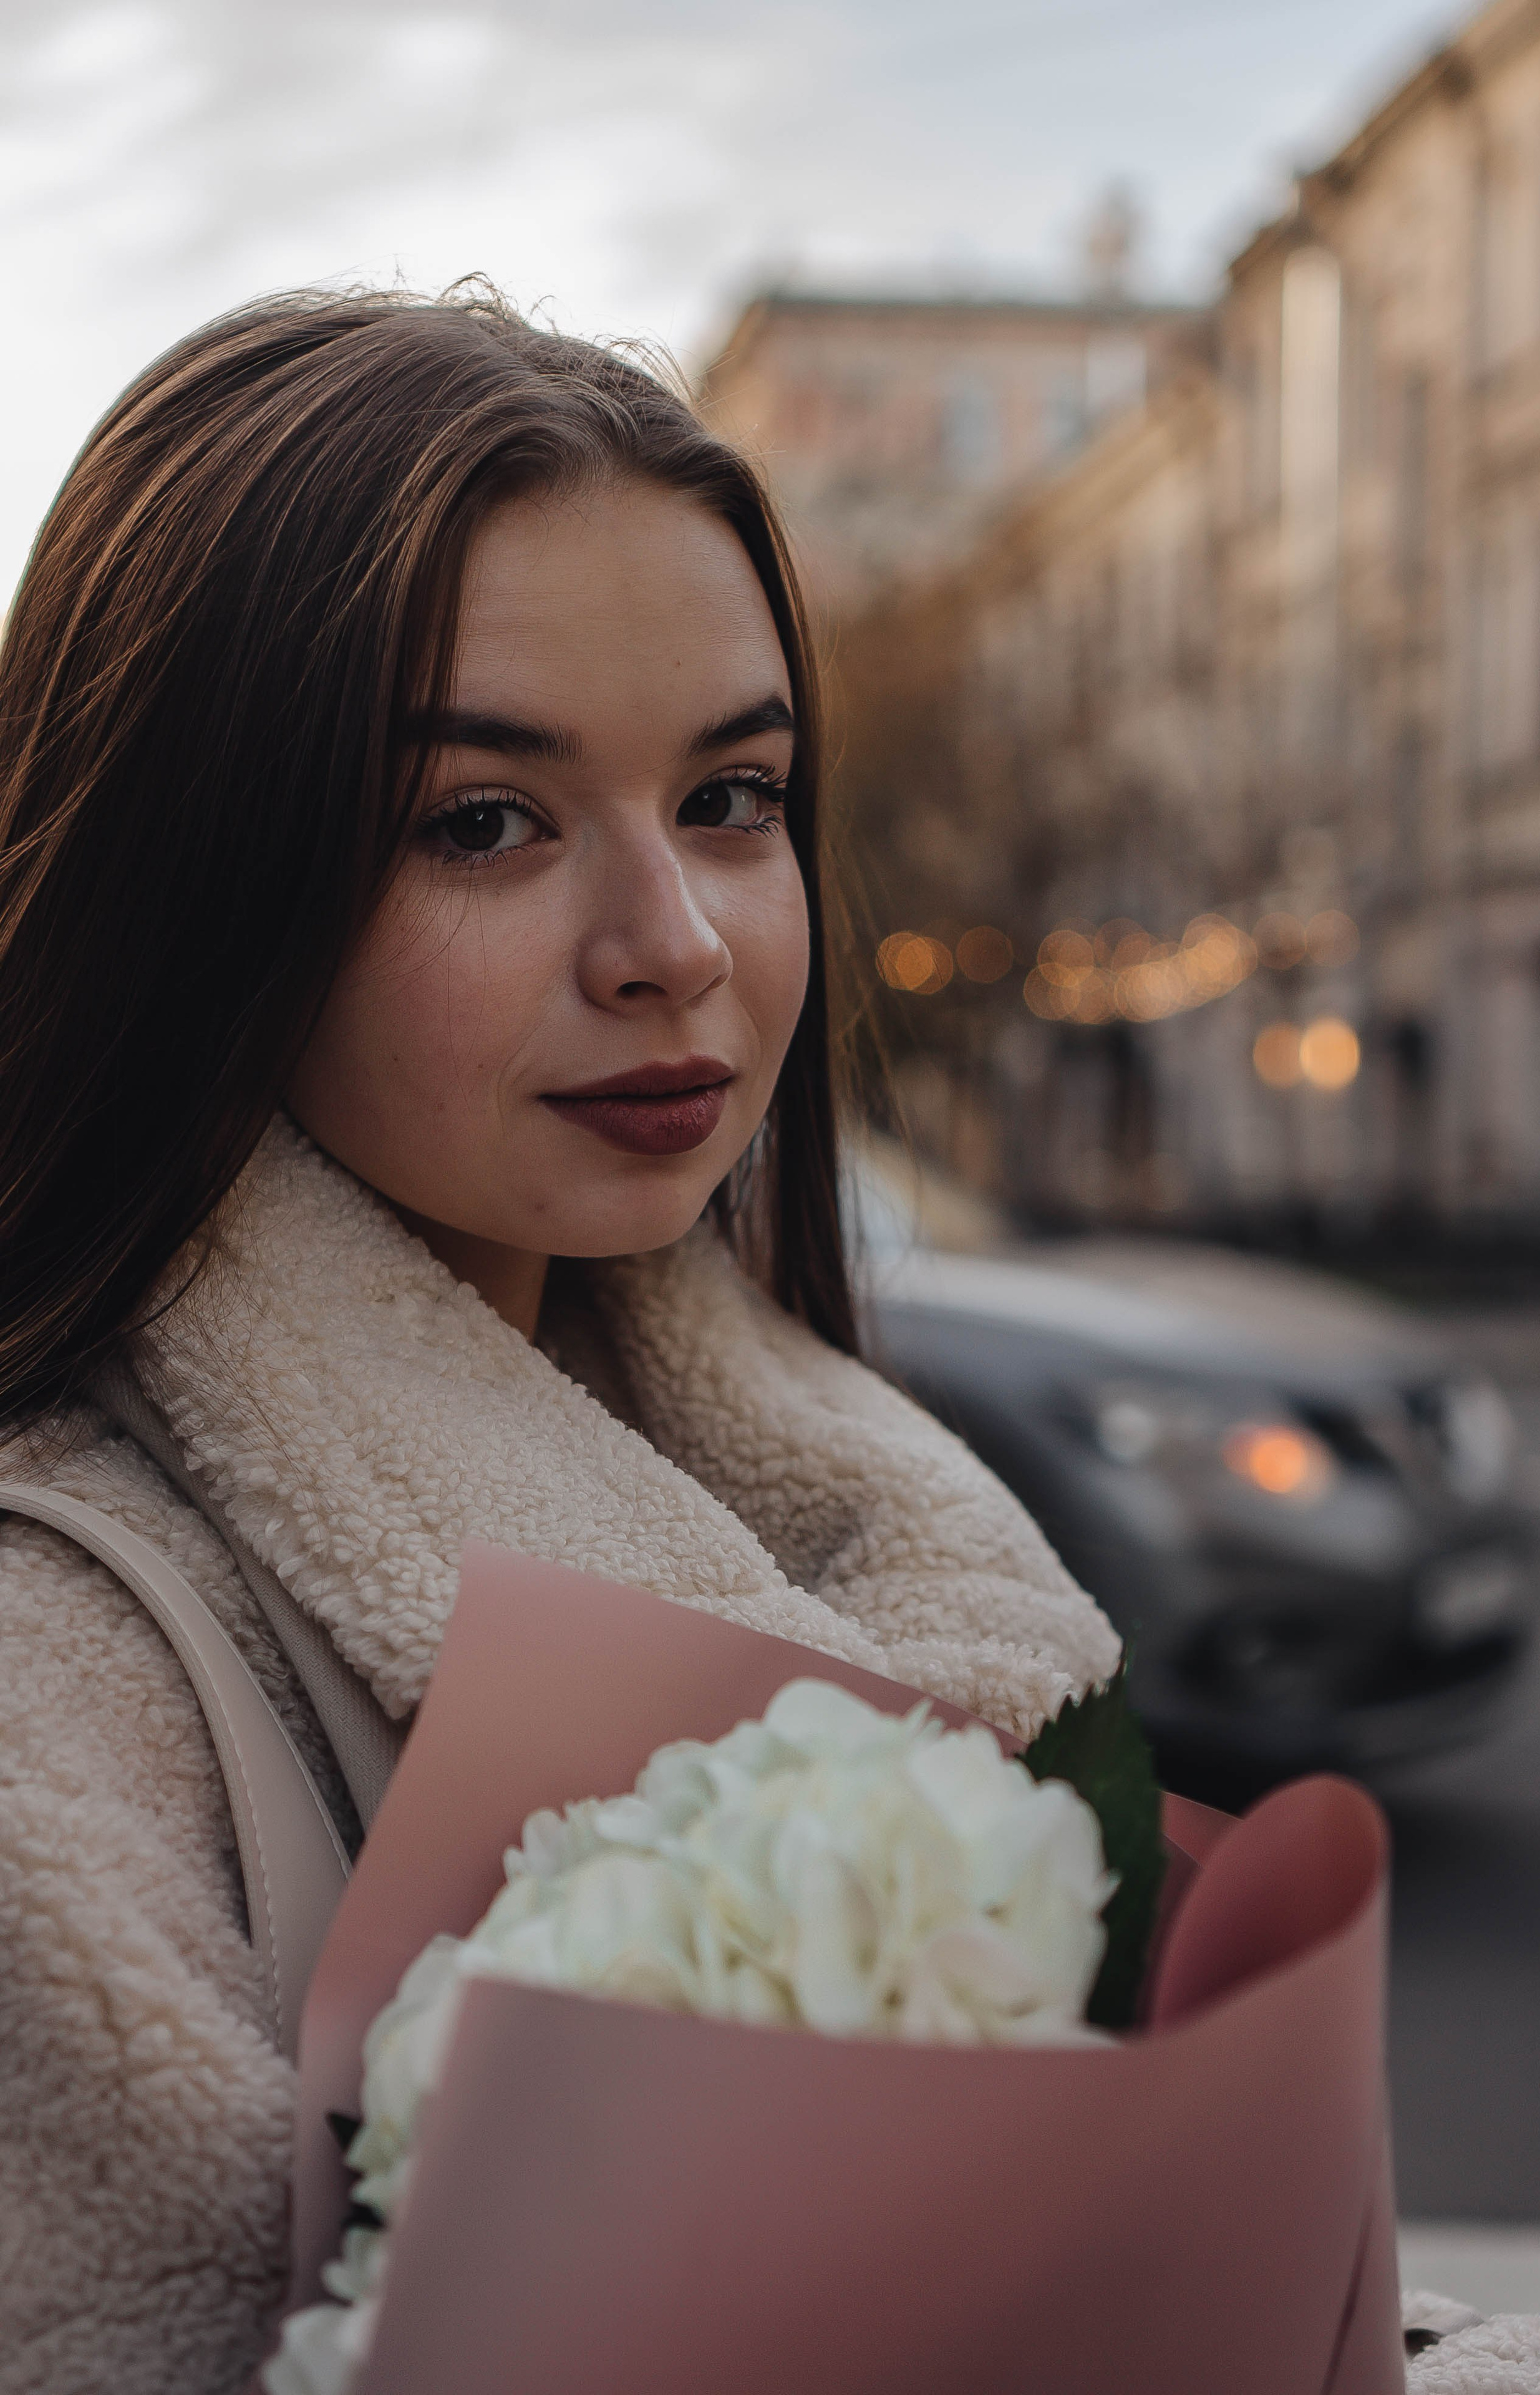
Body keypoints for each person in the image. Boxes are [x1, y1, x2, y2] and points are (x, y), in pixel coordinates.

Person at [0, 287, 1117, 2394]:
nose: (676, 945)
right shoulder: (54, 1685)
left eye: (734, 796)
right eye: (483, 822)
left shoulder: (822, 1469)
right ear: (188, 882)